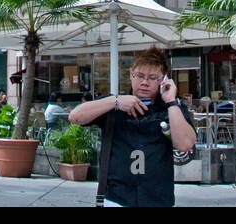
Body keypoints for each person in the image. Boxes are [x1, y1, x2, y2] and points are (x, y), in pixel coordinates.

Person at [68, 46, 196, 207]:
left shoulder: (170, 109)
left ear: (163, 80)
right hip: (117, 198)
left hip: (158, 198)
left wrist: (170, 101)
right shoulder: (114, 105)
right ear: (130, 75)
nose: (144, 82)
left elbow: (185, 144)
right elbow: (75, 117)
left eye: (152, 77)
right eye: (139, 76)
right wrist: (115, 101)